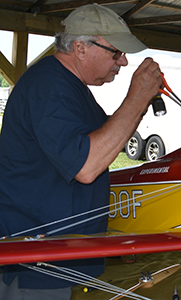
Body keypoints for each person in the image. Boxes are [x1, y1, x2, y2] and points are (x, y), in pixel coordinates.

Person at [0, 4, 162, 299]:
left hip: (58, 253)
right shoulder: (50, 86)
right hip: (35, 259)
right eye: (116, 52)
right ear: (80, 48)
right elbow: (86, 165)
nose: (123, 62)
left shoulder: (70, 87)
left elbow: (108, 140)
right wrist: (137, 97)